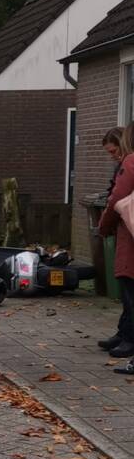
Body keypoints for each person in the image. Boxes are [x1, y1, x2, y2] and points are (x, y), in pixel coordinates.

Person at [98, 122, 134, 372]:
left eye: (113, 151)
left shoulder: (130, 163)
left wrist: (104, 226)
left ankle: (129, 338)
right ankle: (124, 332)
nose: (113, 156)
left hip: (129, 235)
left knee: (129, 286)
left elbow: (117, 198)